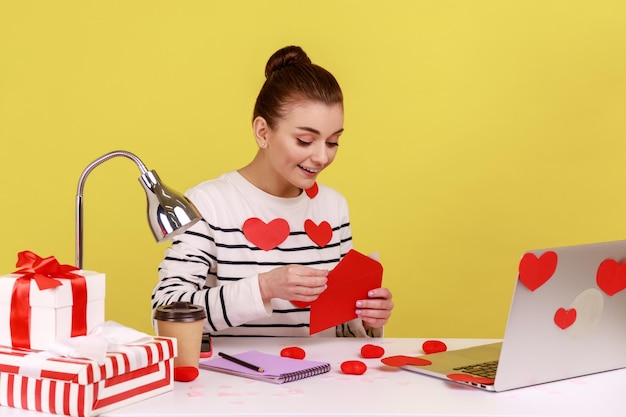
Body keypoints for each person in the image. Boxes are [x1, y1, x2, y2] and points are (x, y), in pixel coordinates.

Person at [152, 45, 394, 338]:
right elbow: (165, 313)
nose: (321, 157)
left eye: (332, 142)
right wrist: (264, 287)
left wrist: (367, 318)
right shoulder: (209, 203)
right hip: (235, 380)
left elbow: (335, 328)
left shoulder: (333, 207)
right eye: (305, 140)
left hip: (324, 380)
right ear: (263, 132)